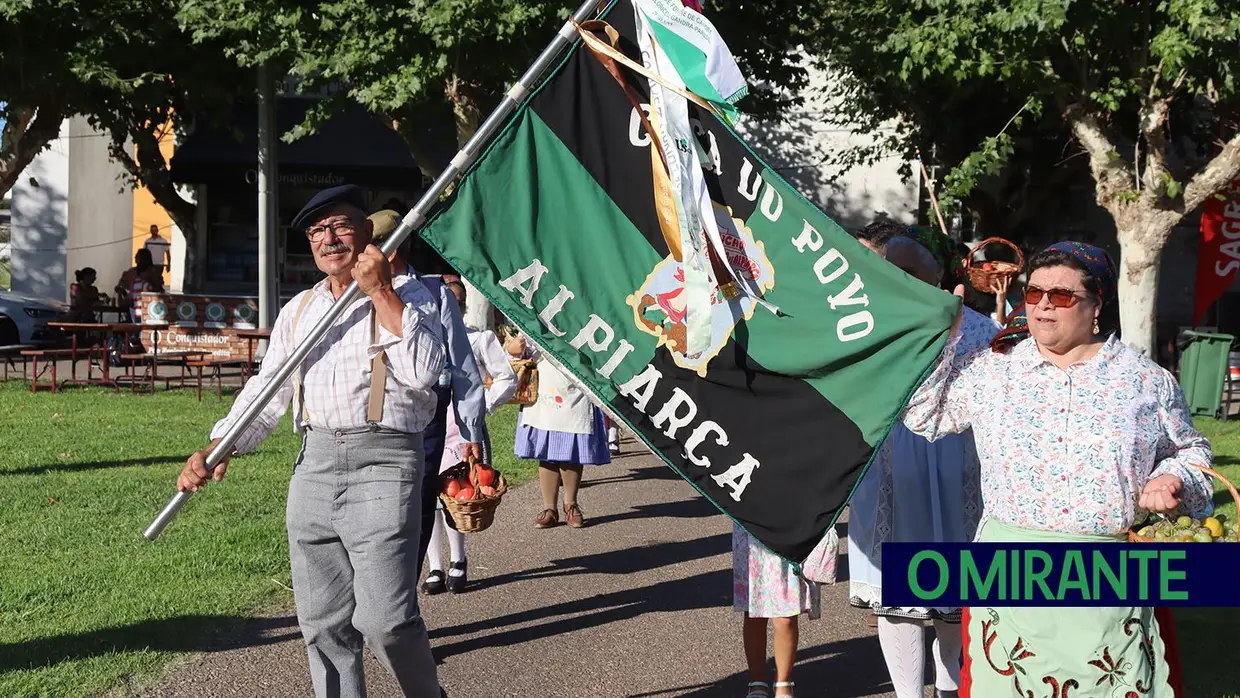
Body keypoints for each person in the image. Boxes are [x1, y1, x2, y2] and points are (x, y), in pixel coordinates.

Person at [901, 240, 1214, 697]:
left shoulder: (1145, 381)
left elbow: (1192, 452)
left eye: (1062, 295)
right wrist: (944, 339)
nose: (1044, 304)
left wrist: (1174, 478)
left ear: (1096, 305)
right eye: (1034, 293)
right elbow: (925, 417)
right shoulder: (994, 369)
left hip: (1106, 581)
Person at [174, 185, 447, 698]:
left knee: (386, 619)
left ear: (368, 232)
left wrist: (379, 293)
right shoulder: (299, 309)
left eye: (341, 225)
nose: (328, 238)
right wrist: (219, 446)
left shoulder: (411, 295)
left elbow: (426, 373)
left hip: (385, 464)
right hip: (315, 464)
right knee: (322, 624)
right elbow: (267, 391)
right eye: (316, 231)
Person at [847, 221, 998, 698]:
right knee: (898, 594)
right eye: (895, 270)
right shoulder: (864, 321)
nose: (903, 279)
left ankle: (951, 686)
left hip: (957, 463)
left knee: (953, 588)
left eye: (914, 270)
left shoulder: (977, 328)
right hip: (888, 461)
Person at [366, 208, 487, 590]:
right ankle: (380, 604)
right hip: (367, 418)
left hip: (426, 417)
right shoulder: (351, 291)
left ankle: (401, 602)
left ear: (391, 248)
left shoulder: (434, 291)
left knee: (414, 510)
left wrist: (470, 430)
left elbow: (463, 364)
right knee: (373, 517)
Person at [423, 280, 518, 594]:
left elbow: (506, 378)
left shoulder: (478, 339)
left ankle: (458, 560)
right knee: (430, 500)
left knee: (458, 495)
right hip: (431, 425)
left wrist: (483, 406)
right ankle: (434, 566)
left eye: (455, 299)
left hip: (462, 432)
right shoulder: (426, 342)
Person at [504, 330, 611, 528]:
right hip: (544, 383)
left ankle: (570, 503)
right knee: (546, 450)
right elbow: (520, 346)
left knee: (571, 447)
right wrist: (514, 348)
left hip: (575, 379)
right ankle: (549, 508)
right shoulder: (535, 307)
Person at [734, 523, 825, 698]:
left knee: (785, 614)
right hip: (751, 517)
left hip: (791, 523)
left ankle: (784, 684)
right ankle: (757, 683)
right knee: (754, 612)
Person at [115, 248, 164, 321]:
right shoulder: (131, 272)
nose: (135, 257)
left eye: (137, 255)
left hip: (149, 307)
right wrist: (121, 290)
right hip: (134, 306)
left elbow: (159, 289)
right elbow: (124, 285)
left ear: (143, 258)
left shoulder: (153, 272)